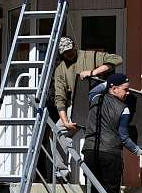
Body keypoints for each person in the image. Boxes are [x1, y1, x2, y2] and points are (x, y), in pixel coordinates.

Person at [43, 37, 123, 180]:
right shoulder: (60, 69)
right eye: (65, 52)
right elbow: (60, 98)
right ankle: (61, 173)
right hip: (77, 108)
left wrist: (93, 72)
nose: (68, 54)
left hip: (99, 106)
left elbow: (116, 59)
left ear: (74, 46)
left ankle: (100, 177)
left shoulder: (89, 55)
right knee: (56, 132)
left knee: (98, 141)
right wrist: (65, 121)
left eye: (70, 50)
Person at [82, 72, 142, 193]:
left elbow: (98, 88)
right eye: (125, 89)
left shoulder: (94, 98)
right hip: (111, 154)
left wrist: (108, 82)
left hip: (90, 151)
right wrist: (139, 151)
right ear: (114, 88)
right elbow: (124, 137)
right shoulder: (124, 109)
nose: (128, 93)